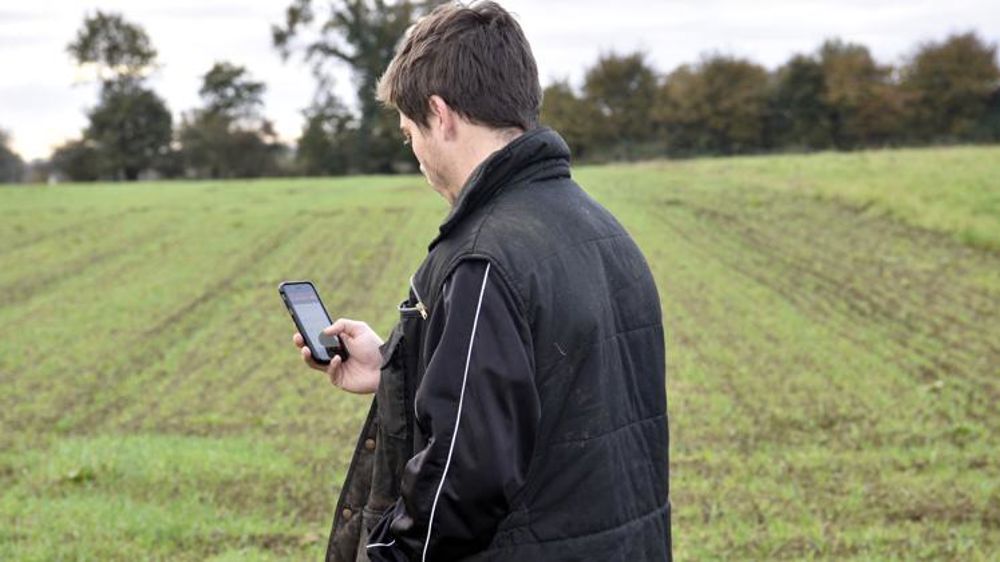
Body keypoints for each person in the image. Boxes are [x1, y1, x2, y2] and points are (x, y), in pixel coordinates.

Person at [292, 2, 670, 560]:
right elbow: (544, 389)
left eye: (408, 133)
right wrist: (393, 363)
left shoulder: (483, 261)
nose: (416, 154)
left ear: (439, 115)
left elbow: (460, 485)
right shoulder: (604, 231)